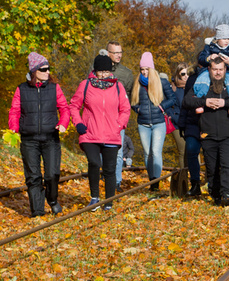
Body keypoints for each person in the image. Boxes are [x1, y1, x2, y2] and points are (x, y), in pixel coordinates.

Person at [8, 53, 70, 217]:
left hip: (51, 138)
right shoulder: (21, 89)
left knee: (52, 174)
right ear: (34, 71)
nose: (47, 72)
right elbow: (14, 111)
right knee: (33, 177)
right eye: (44, 69)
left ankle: (52, 199)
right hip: (29, 140)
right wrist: (13, 127)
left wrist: (63, 123)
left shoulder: (54, 88)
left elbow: (64, 109)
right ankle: (38, 212)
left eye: (49, 68)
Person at [183, 56, 229, 207]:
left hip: (228, 134)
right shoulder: (202, 85)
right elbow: (187, 101)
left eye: (220, 70)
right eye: (215, 70)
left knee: (226, 165)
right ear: (209, 70)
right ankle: (215, 194)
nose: (218, 73)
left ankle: (227, 195)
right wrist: (205, 102)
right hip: (207, 133)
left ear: (225, 70)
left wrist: (225, 103)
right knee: (211, 167)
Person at [69, 55, 131, 210]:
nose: (103, 75)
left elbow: (125, 109)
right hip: (90, 134)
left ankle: (108, 202)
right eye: (100, 71)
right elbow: (74, 106)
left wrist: (119, 126)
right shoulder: (85, 85)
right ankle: (94, 198)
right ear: (94, 71)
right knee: (95, 163)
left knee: (110, 169)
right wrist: (78, 124)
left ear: (110, 71)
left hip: (111, 135)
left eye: (105, 71)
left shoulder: (118, 87)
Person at [131, 52, 176, 193]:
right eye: (142, 69)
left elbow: (173, 98)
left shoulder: (161, 82)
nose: (144, 72)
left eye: (146, 69)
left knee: (156, 152)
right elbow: (132, 101)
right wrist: (138, 109)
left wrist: (161, 106)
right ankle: (151, 179)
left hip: (158, 123)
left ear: (152, 69)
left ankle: (155, 182)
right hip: (143, 123)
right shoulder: (137, 83)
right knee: (147, 153)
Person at [103, 41, 134, 192]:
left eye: (120, 52)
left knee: (118, 150)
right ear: (108, 53)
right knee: (101, 148)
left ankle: (117, 182)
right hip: (101, 117)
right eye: (115, 52)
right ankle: (104, 176)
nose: (119, 55)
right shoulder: (98, 68)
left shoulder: (127, 74)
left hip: (117, 118)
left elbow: (129, 95)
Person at [175, 64, 203, 197]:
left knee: (210, 154)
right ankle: (195, 183)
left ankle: (213, 182)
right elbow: (185, 103)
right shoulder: (192, 79)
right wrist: (182, 123)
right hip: (192, 122)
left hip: (209, 123)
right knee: (191, 151)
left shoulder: (216, 78)